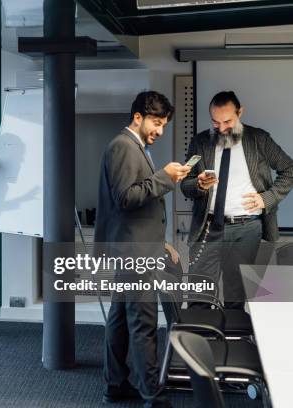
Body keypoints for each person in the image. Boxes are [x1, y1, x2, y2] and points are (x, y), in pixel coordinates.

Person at [95, 91, 190, 408]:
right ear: (139, 117)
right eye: (157, 123)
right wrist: (165, 177)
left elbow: (135, 203)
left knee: (121, 319)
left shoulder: (135, 147)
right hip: (134, 253)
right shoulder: (123, 146)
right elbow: (126, 198)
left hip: (134, 247)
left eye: (163, 124)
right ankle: (152, 394)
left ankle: (115, 385)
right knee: (143, 323)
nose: (160, 130)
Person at [181, 91, 293, 310]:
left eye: (227, 121)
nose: (221, 128)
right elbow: (185, 184)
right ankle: (198, 342)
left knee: (236, 294)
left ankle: (232, 342)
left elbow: (289, 169)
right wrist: (197, 185)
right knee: (200, 295)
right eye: (215, 122)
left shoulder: (258, 139)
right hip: (208, 227)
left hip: (247, 229)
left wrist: (266, 198)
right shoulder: (200, 141)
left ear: (240, 113)